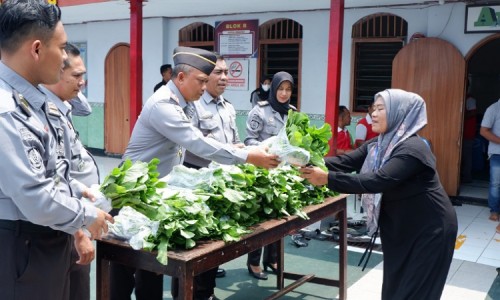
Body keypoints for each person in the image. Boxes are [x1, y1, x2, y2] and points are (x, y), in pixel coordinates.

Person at [113, 46, 280, 300]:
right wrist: (248, 156)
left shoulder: (184, 104)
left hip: (154, 193)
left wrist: (237, 148)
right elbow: (197, 143)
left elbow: (201, 140)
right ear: (180, 78)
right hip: (131, 193)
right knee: (123, 273)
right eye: (201, 81)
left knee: (151, 270)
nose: (204, 87)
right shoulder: (163, 105)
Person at [0, 1, 112, 299]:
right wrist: (87, 216)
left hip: (45, 237)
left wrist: (76, 187)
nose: (64, 57)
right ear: (36, 49)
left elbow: (50, 167)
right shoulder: (7, 111)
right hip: (24, 242)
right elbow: (35, 196)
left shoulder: (33, 100)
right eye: (61, 48)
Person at [299, 89, 457, 300]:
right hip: (402, 227)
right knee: (394, 289)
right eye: (374, 107)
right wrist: (302, 160)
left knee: (415, 292)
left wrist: (327, 179)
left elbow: (378, 180)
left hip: (430, 230)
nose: (373, 113)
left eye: (381, 108)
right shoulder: (379, 145)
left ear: (401, 114)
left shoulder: (413, 149)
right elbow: (345, 162)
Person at [40, 43, 100, 300]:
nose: (82, 82)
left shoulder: (63, 106)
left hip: (74, 212)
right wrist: (78, 232)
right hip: (63, 222)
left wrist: (73, 85)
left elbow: (85, 108)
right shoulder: (43, 112)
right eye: (76, 76)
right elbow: (50, 183)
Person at [181, 54, 240, 297]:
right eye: (218, 72)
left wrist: (248, 152)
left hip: (221, 184)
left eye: (226, 73)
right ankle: (186, 293)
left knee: (214, 242)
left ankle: (207, 291)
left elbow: (235, 142)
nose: (224, 78)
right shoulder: (193, 104)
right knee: (192, 244)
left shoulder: (228, 108)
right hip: (197, 180)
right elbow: (193, 145)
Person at [245, 71, 296, 280]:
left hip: (284, 173)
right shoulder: (259, 111)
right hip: (263, 172)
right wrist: (268, 148)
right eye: (280, 89)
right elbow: (249, 140)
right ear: (273, 89)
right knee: (261, 218)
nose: (283, 94)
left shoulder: (292, 112)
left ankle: (271, 259)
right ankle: (254, 262)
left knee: (280, 217)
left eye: (288, 89)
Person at [480, 99, 500, 223]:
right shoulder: (493, 108)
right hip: (497, 153)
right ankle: (494, 210)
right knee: (495, 184)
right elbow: (483, 131)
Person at [461, 94, 477, 184]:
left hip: (468, 133)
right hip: (462, 134)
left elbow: (473, 113)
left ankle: (467, 177)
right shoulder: (464, 98)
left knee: (466, 157)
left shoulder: (470, 100)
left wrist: (460, 115)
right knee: (463, 157)